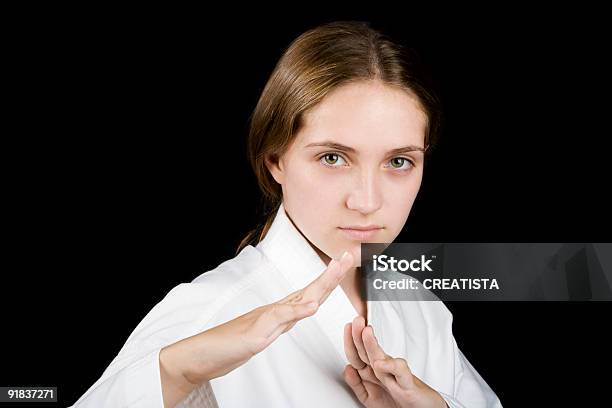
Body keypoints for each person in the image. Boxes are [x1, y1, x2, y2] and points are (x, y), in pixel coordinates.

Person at [71, 21, 502, 407]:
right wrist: (175, 372)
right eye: (333, 158)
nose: (367, 201)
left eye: (398, 162)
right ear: (275, 159)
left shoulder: (419, 306)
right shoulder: (211, 308)